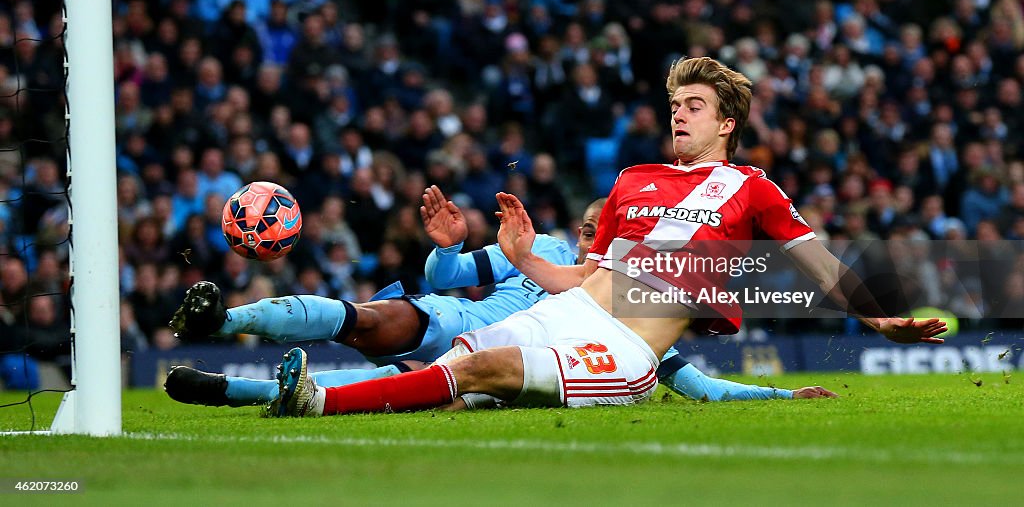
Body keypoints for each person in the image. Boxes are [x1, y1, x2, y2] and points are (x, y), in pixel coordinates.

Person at [273, 57, 946, 417]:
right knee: (454, 364)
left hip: (625, 347)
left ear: (728, 122)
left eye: (695, 106)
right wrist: (522, 257)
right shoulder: (634, 179)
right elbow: (581, 276)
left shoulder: (751, 188)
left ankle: (315, 401)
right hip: (570, 308)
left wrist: (877, 316)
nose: (679, 114)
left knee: (478, 371)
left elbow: (821, 262)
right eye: (676, 104)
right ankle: (282, 392)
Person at [166, 187, 832, 407]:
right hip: (455, 318)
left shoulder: (630, 294)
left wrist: (775, 394)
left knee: (380, 375)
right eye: (590, 228)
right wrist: (451, 245)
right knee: (366, 317)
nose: (591, 236)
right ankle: (226, 318)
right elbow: (447, 274)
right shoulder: (542, 258)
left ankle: (227, 387)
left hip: (497, 349)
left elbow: (693, 377)